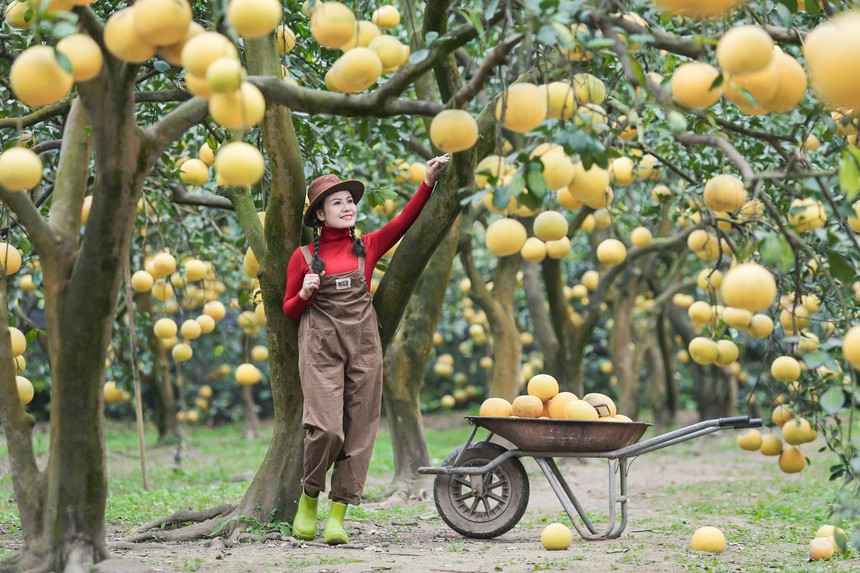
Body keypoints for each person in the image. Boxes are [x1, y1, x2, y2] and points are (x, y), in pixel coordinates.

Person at [282, 153, 450, 544]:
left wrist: (427, 182)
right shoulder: (302, 258)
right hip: (321, 350)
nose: (347, 207)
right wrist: (304, 293)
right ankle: (309, 496)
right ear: (320, 215)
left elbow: (404, 222)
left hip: (363, 348)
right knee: (326, 429)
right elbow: (288, 310)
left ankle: (338, 514)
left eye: (350, 201)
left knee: (359, 433)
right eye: (337, 203)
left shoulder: (367, 247)